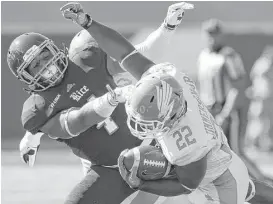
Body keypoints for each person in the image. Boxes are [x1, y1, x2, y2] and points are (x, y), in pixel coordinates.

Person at [59, 2, 273, 204]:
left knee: (242, 189)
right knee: (252, 190)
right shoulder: (165, 77)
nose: (145, 127)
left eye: (152, 122)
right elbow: (124, 52)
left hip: (218, 180)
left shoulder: (189, 140)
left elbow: (186, 184)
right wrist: (88, 22)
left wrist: (142, 182)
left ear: (171, 114)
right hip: (212, 162)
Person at [9, 2, 191, 204]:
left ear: (53, 49)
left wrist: (167, 28)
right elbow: (76, 121)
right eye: (36, 65)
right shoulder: (39, 109)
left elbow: (138, 55)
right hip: (107, 167)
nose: (46, 65)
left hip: (149, 148)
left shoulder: (85, 58)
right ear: (26, 77)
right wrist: (110, 99)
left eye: (45, 56)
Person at [197, 18, 267, 182]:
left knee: (235, 152)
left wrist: (225, 113)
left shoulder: (229, 55)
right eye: (209, 34)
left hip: (227, 112)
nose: (212, 38)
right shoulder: (203, 55)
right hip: (209, 112)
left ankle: (266, 184)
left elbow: (238, 86)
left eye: (215, 34)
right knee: (212, 154)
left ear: (221, 35)